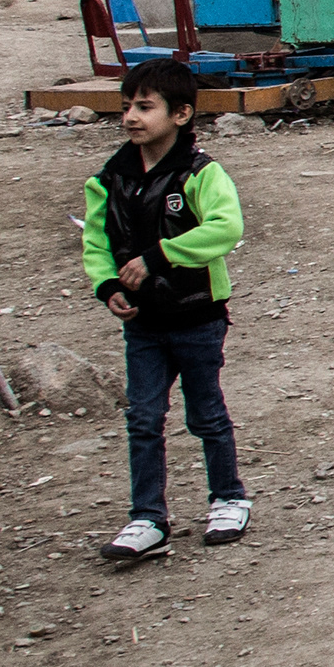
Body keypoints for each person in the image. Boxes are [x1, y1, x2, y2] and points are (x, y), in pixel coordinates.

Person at [86, 58, 248, 563]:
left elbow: (226, 227)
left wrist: (160, 256)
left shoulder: (201, 173)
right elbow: (97, 240)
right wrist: (106, 284)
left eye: (144, 107)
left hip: (198, 316)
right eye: (126, 107)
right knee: (143, 418)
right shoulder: (109, 180)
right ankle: (148, 518)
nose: (131, 117)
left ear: (181, 114)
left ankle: (228, 498)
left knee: (206, 414)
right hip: (144, 324)